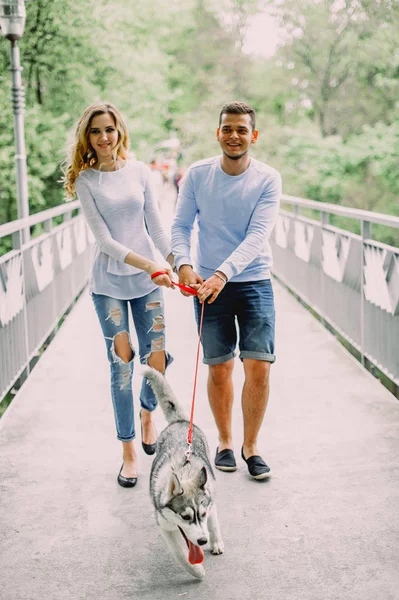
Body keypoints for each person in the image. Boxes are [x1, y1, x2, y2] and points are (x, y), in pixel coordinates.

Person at [63, 102, 175, 488]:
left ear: (119, 131)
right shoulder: (85, 180)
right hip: (109, 283)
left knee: (156, 357)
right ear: (87, 138)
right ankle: (128, 451)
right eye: (96, 131)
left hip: (148, 281)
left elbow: (157, 228)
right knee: (122, 366)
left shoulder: (142, 172)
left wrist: (176, 262)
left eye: (109, 129)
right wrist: (150, 265)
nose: (104, 137)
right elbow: (105, 240)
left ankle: (148, 411)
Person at [171, 101, 281, 480]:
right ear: (218, 133)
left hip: (254, 281)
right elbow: (181, 226)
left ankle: (251, 447)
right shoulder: (198, 175)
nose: (234, 135)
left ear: (254, 135)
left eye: (241, 129)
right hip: (206, 285)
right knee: (220, 369)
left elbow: (257, 236)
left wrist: (223, 273)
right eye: (227, 128)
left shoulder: (268, 179)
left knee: (259, 367)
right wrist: (183, 263)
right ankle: (225, 441)